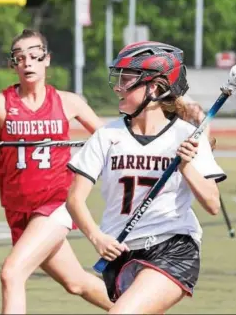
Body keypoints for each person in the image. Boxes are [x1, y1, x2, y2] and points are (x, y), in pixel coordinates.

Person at [66, 41, 227, 314]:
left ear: (154, 88)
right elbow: (74, 199)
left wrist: (186, 167)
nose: (118, 87)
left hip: (173, 247)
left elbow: (212, 204)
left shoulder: (187, 135)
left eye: (127, 80)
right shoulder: (107, 136)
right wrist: (96, 237)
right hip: (120, 252)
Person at [0, 29, 113, 314]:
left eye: (35, 56)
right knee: (76, 283)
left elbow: (113, 139)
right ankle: (140, 308)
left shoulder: (68, 102)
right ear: (13, 64)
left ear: (46, 60)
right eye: (20, 58)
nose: (28, 63)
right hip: (18, 208)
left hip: (56, 203)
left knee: (12, 273)